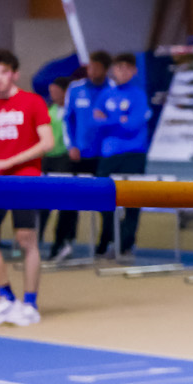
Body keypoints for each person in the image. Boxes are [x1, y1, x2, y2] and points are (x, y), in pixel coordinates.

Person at [0, 50, 54, 326]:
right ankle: (6, 298)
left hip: (25, 177)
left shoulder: (33, 102)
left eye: (3, 72)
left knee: (26, 239)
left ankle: (30, 303)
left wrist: (10, 161)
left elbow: (47, 142)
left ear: (14, 74)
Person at [92, 52, 151, 263]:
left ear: (134, 71)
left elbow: (133, 124)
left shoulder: (138, 95)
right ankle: (107, 239)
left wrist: (110, 120)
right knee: (103, 200)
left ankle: (125, 244)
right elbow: (95, 121)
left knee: (132, 202)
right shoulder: (106, 94)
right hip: (109, 154)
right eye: (119, 67)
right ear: (113, 70)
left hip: (133, 154)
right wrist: (119, 119)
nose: (122, 72)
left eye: (127, 68)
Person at [62, 51, 109, 259]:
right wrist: (71, 145)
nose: (92, 71)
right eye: (90, 66)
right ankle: (65, 242)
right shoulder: (75, 88)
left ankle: (105, 243)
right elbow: (67, 119)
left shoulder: (112, 90)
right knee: (70, 201)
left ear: (105, 69)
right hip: (78, 155)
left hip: (104, 157)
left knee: (106, 202)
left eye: (97, 67)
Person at [40, 78, 74, 262]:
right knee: (42, 203)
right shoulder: (48, 110)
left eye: (56, 91)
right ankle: (36, 241)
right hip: (48, 159)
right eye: (50, 91)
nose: (53, 94)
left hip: (65, 159)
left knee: (65, 203)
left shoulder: (72, 109)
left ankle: (62, 242)